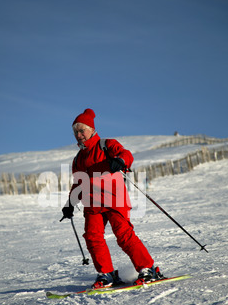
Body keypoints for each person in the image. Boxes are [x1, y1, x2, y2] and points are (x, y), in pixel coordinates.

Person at [61, 108, 164, 289]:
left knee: (123, 235)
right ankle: (106, 274)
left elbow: (126, 154)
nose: (79, 135)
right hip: (92, 204)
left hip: (114, 198)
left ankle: (148, 269)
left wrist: (121, 162)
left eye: (82, 130)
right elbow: (78, 183)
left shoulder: (106, 144)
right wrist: (70, 203)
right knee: (92, 237)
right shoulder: (78, 159)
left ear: (91, 129)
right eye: (75, 132)